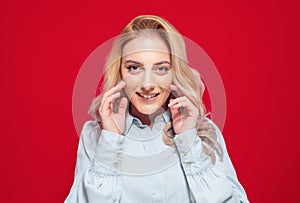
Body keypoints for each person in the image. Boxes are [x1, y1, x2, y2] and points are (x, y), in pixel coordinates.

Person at [65, 15, 249, 203]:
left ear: (174, 72)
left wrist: (188, 139)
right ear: (119, 71)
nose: (147, 84)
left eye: (161, 69)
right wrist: (111, 141)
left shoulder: (205, 133)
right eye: (134, 67)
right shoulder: (95, 137)